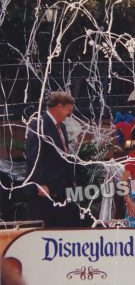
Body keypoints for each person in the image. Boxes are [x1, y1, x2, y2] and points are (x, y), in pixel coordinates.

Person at [25, 91, 79, 228]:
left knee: (64, 225)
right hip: (46, 189)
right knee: (48, 227)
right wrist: (40, 184)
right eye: (69, 110)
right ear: (59, 106)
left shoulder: (61, 126)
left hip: (62, 188)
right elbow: (34, 157)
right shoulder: (39, 125)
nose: (70, 114)